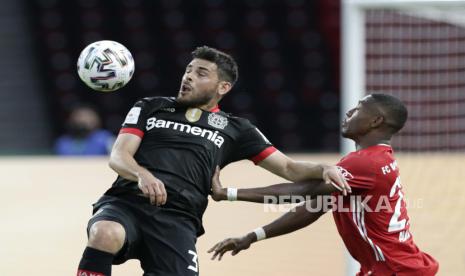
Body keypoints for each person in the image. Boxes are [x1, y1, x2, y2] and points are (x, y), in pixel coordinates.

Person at [76, 46, 350, 276]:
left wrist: (324, 168)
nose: (188, 77)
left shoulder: (237, 129)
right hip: (127, 201)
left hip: (179, 218)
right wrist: (142, 175)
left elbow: (288, 168)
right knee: (104, 233)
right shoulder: (151, 106)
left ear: (223, 87)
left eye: (200, 73)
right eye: (188, 70)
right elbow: (119, 155)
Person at [209, 94, 439, 276]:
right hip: (395, 267)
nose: (349, 112)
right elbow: (313, 207)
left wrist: (227, 193)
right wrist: (252, 236)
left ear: (376, 121)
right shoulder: (374, 160)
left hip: (394, 270)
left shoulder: (365, 163)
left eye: (358, 108)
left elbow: (302, 191)